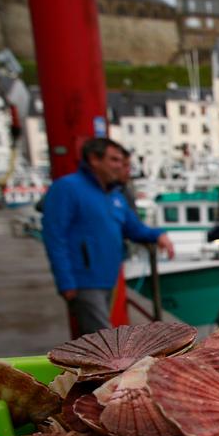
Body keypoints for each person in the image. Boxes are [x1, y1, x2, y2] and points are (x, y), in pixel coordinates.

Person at [41, 137, 175, 337]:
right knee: (102, 340)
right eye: (114, 160)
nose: (120, 166)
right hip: (83, 280)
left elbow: (134, 228)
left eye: (121, 161)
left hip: (107, 278)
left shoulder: (114, 196)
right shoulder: (67, 188)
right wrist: (65, 281)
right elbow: (54, 236)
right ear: (94, 159)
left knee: (94, 340)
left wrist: (158, 234)